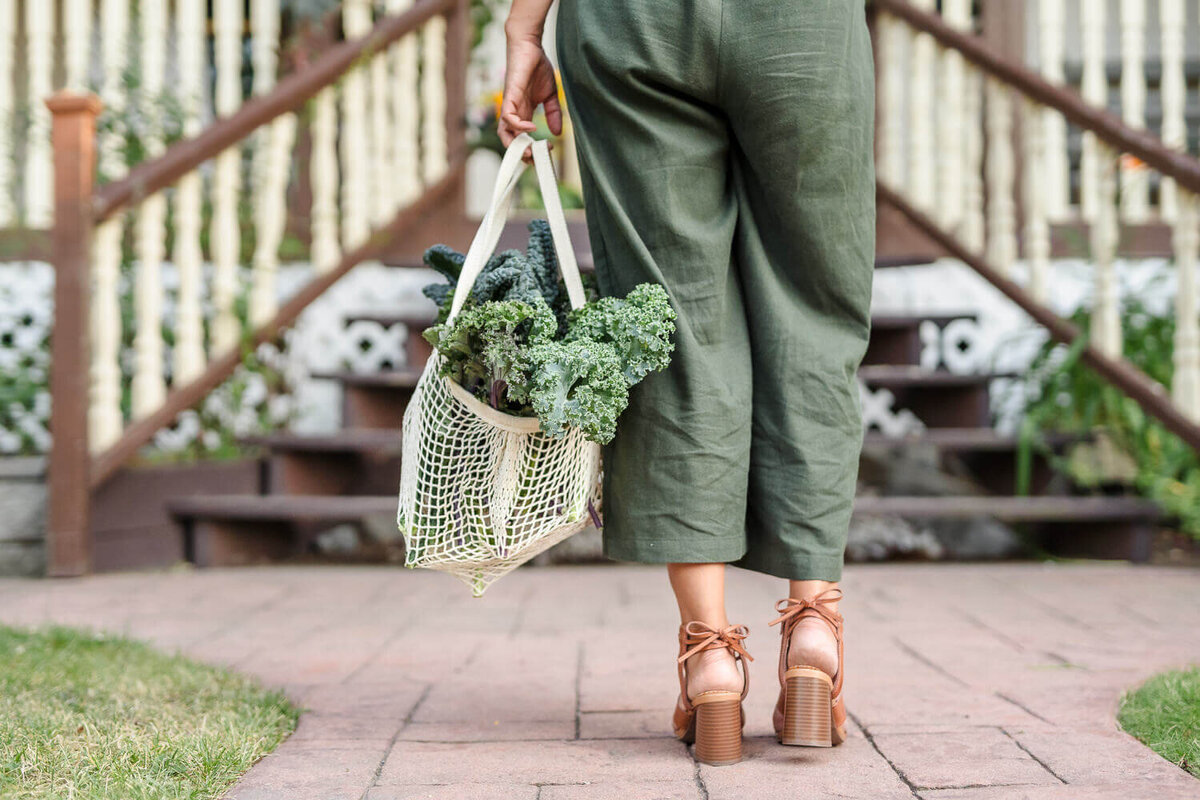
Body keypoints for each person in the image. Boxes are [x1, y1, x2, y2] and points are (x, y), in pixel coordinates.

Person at [499, 0, 874, 766]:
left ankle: (709, 658)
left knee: (670, 320)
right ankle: (813, 630)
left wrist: (524, 28)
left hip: (633, 23)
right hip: (801, 23)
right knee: (814, 309)